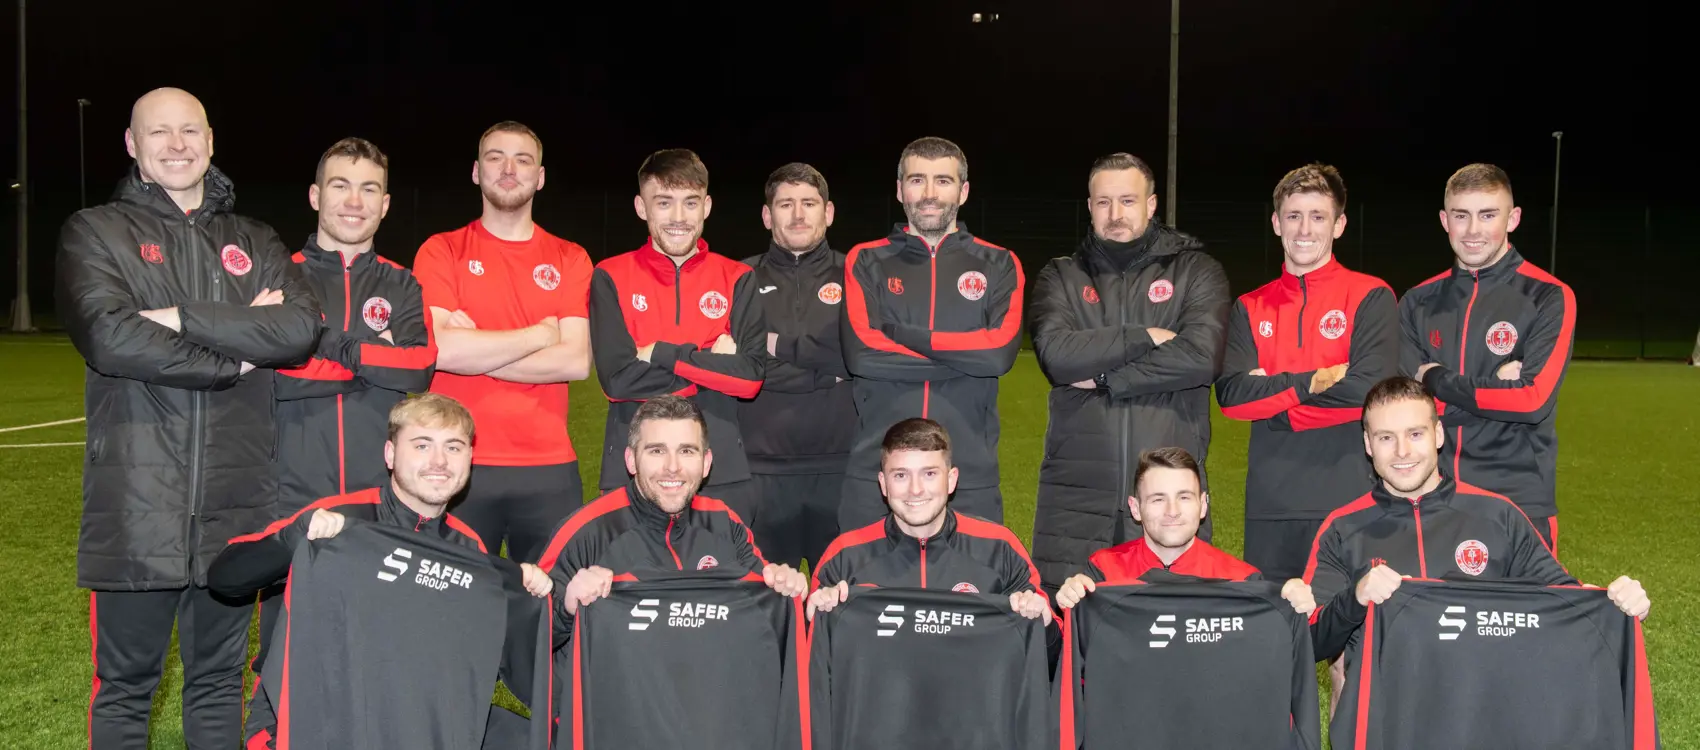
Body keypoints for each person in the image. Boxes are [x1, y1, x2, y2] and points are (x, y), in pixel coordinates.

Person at [55, 87, 321, 750]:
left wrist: (178, 318)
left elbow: (297, 329)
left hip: (236, 506)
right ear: (132, 144)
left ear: (210, 140)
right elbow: (110, 337)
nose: (177, 145)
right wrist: (238, 354)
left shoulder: (254, 238)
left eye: (190, 130)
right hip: (135, 507)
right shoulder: (95, 231)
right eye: (159, 132)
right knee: (125, 689)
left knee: (218, 685)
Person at [206, 393, 553, 750]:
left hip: (414, 715)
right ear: (390, 454)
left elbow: (486, 651)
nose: (439, 461)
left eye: (453, 447)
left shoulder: (468, 549)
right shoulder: (340, 521)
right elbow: (225, 578)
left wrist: (523, 591)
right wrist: (293, 538)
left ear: (470, 458)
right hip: (310, 713)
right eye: (422, 445)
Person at [1304, 376, 1649, 707]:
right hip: (1386, 717)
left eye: (1415, 433)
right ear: (1368, 444)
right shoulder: (1343, 528)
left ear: (1438, 434)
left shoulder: (1497, 515)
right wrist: (1356, 598)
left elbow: (1564, 601)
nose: (1402, 451)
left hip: (1481, 714)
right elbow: (1309, 642)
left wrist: (1616, 601)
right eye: (1385, 438)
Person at [1030, 152, 1230, 594]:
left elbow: (1201, 356)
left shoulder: (1196, 270)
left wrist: (1106, 378)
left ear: (1151, 204)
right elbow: (1057, 356)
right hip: (1078, 493)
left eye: (1127, 201)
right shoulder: (1061, 275)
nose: (1115, 214)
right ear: (1089, 206)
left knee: (1171, 622)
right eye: (1103, 202)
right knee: (1070, 623)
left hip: (1167, 492)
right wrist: (1144, 336)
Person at [412, 121, 594, 563]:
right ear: (477, 171)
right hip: (456, 462)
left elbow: (575, 361)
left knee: (553, 599)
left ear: (540, 177)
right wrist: (540, 335)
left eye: (522, 160)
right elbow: (441, 351)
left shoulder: (570, 257)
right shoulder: (441, 251)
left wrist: (472, 347)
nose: (509, 169)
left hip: (549, 468)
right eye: (496, 158)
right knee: (458, 599)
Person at [1214, 164, 1396, 581]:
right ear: (1276, 223)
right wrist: (1311, 382)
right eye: (1293, 216)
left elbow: (1369, 393)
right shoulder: (1249, 307)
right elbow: (1232, 398)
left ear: (1339, 225)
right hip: (1271, 505)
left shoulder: (1370, 295)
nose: (1304, 229)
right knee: (1278, 620)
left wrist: (1277, 409)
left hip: (1352, 498)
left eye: (1318, 216)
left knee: (1353, 618)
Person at [840, 136, 1024, 528]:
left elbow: (998, 354)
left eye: (943, 180)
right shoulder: (866, 260)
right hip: (877, 473)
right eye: (916, 180)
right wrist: (964, 358)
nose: (929, 193)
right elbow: (862, 355)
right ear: (899, 189)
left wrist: (901, 335)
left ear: (963, 191)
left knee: (974, 572)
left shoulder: (999, 263)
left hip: (968, 473)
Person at [1398, 164, 1575, 554]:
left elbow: (1531, 402)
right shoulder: (1417, 302)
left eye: (1488, 215)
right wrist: (1495, 389)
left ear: (1513, 219)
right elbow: (1405, 409)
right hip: (1431, 493)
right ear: (1445, 220)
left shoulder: (1548, 296)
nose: (1473, 230)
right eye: (1461, 216)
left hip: (1519, 498)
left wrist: (1436, 379)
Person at [588, 149, 766, 521]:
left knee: (725, 563)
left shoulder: (738, 278)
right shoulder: (610, 275)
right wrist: (713, 365)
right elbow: (618, 380)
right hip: (632, 471)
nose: (679, 217)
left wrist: (659, 353)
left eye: (690, 202)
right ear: (642, 207)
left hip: (720, 472)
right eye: (664, 203)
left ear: (707, 207)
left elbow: (749, 378)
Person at [538, 395, 806, 635]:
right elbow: (530, 634)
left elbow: (763, 610)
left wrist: (785, 586)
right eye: (657, 451)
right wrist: (566, 609)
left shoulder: (724, 523)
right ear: (631, 460)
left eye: (686, 451)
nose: (672, 467)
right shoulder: (585, 533)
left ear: (706, 463)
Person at [806, 418, 1050, 626]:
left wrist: (1043, 622)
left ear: (951, 480)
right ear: (883, 484)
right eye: (901, 475)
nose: (915, 489)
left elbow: (1046, 651)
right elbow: (812, 654)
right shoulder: (845, 556)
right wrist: (813, 617)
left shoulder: (999, 549)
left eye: (929, 474)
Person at [737, 163, 853, 568]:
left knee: (841, 599)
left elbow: (859, 356)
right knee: (766, 601)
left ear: (829, 212)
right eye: (786, 204)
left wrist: (775, 348)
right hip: (760, 471)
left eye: (809, 203)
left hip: (843, 469)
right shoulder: (740, 278)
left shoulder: (857, 274)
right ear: (768, 215)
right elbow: (742, 365)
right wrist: (828, 371)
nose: (798, 214)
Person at [1053, 447, 1316, 613]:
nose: (1172, 510)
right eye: (1158, 499)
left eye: (1184, 497)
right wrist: (1069, 604)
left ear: (1203, 505)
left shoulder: (1241, 581)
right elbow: (1068, 656)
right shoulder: (1102, 574)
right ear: (1135, 508)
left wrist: (1293, 609)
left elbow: (1277, 654)